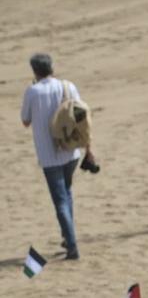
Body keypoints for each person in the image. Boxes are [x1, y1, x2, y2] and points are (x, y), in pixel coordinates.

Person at [20, 52, 97, 261]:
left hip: (48, 154)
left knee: (60, 199)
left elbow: (25, 121)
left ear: (35, 70)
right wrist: (88, 148)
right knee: (66, 193)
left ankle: (72, 247)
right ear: (51, 68)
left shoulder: (32, 91)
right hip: (71, 150)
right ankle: (67, 236)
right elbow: (83, 118)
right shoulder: (67, 86)